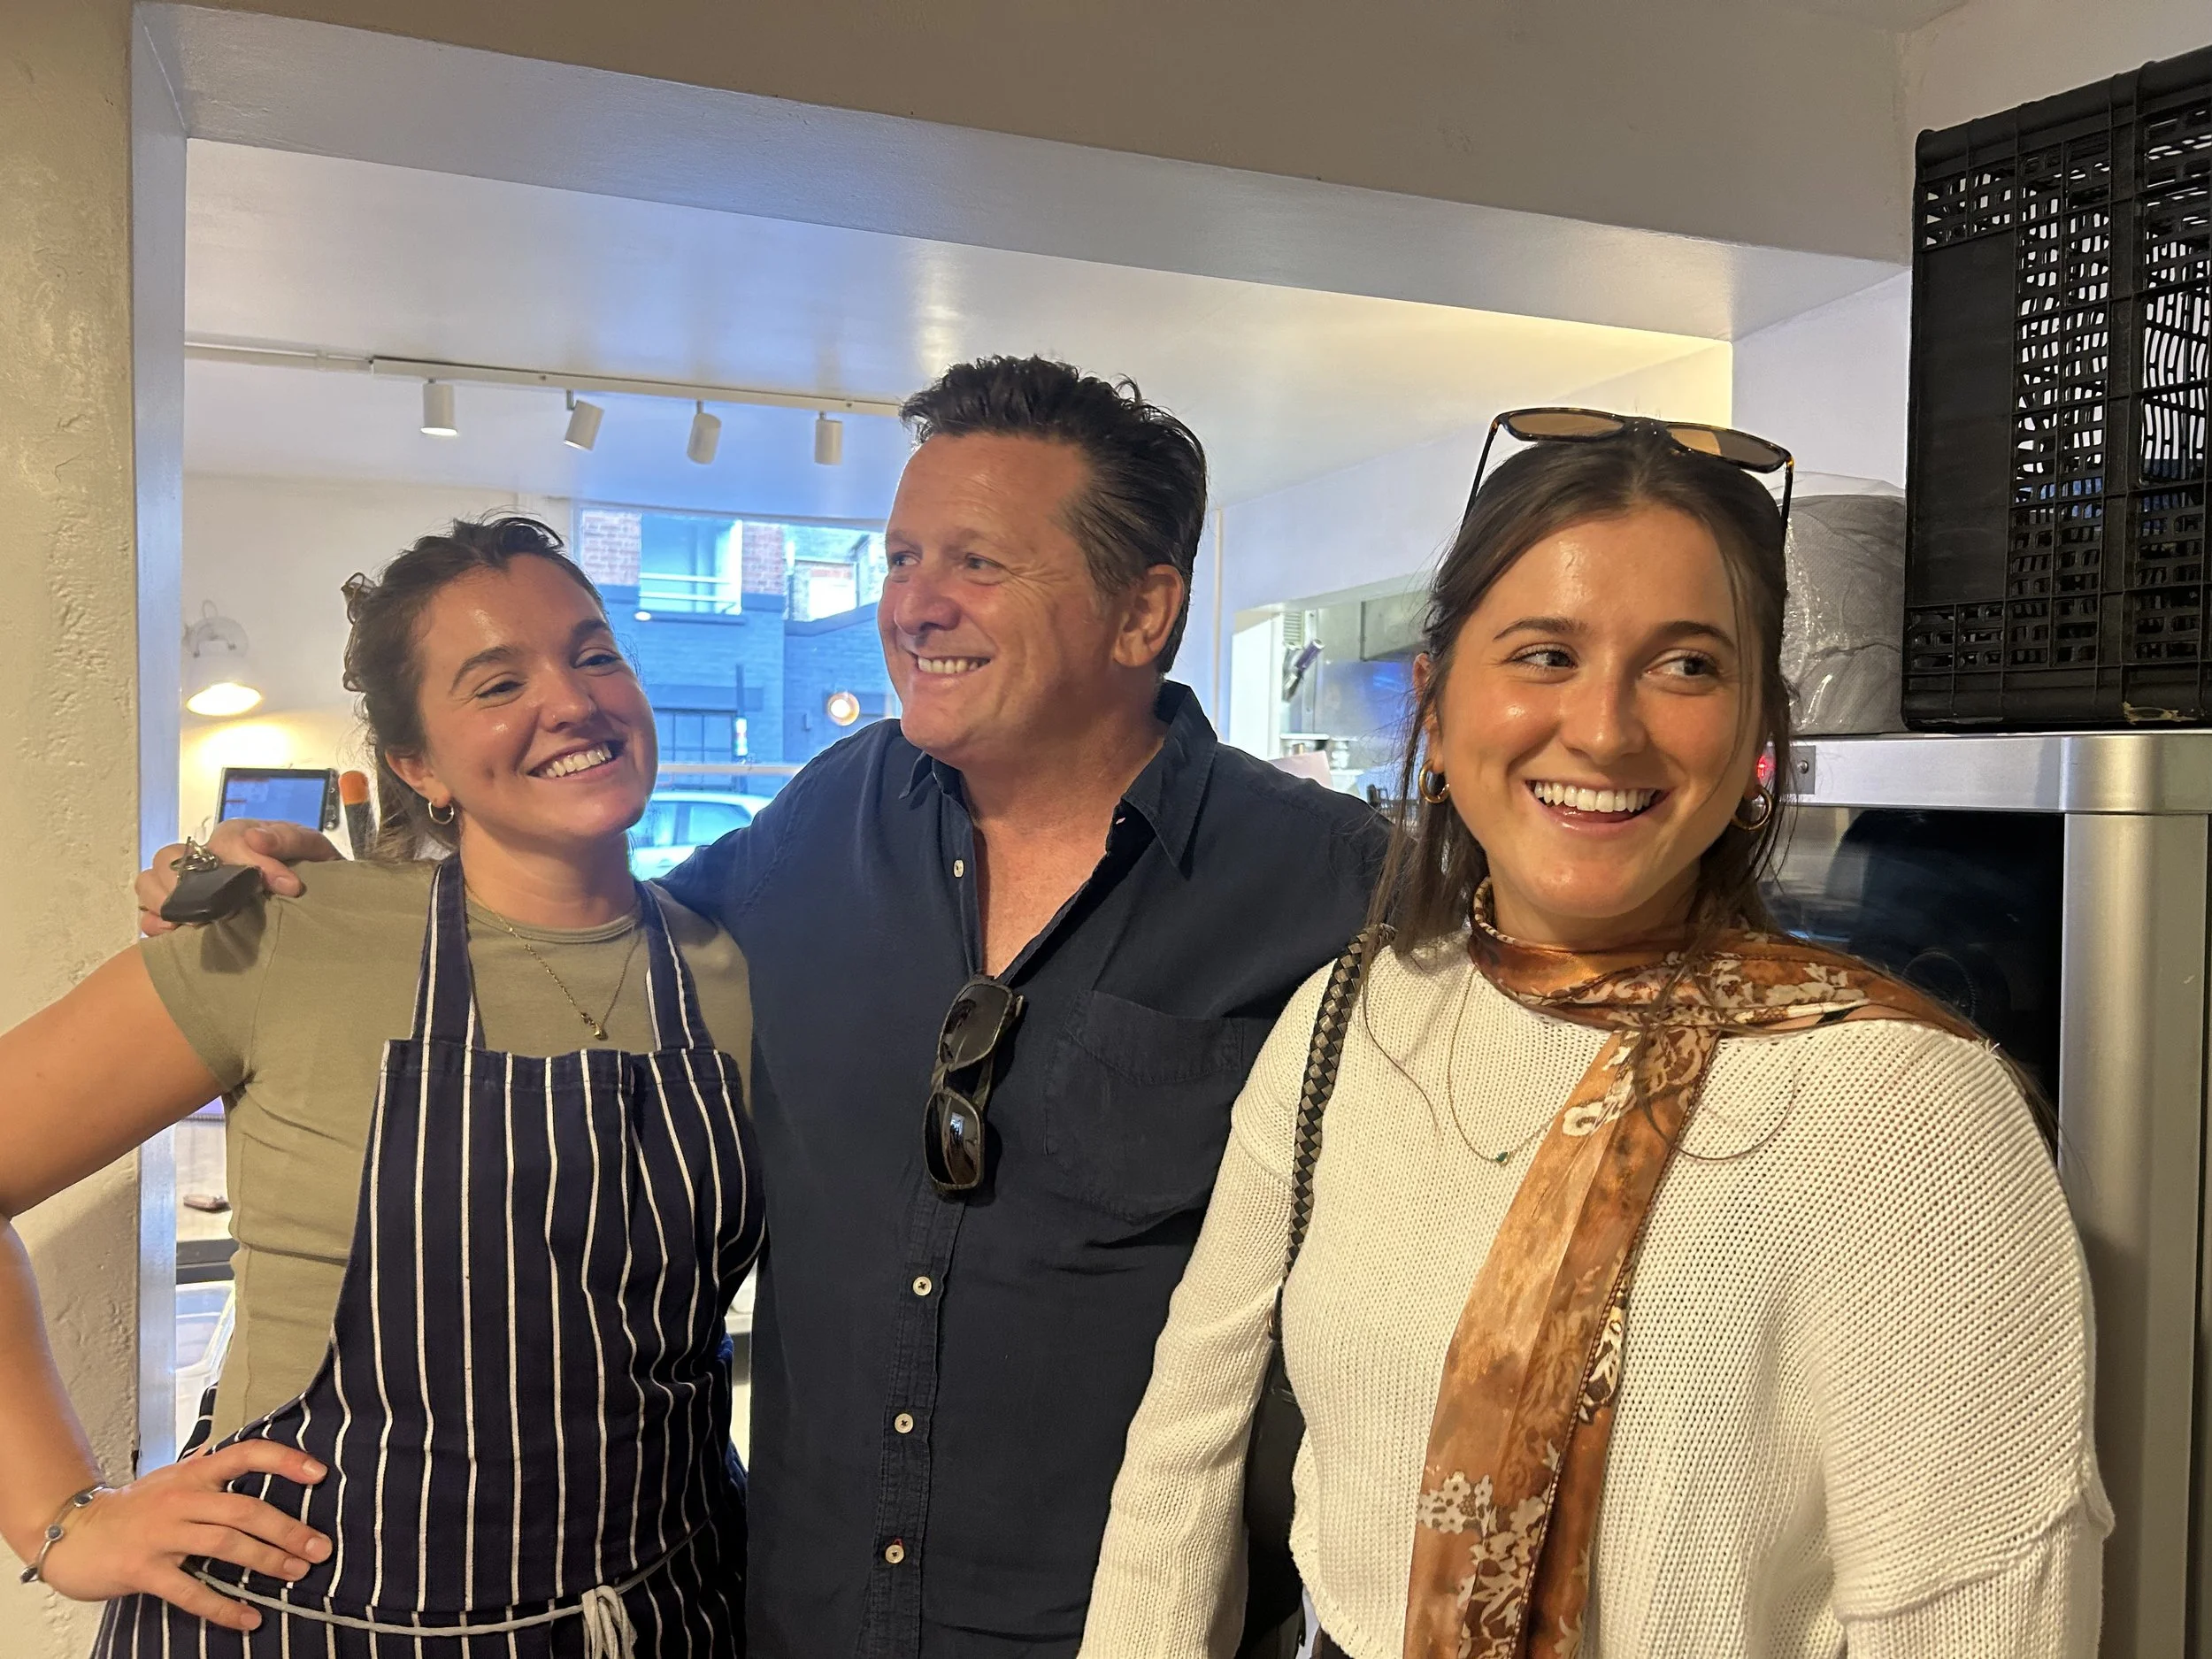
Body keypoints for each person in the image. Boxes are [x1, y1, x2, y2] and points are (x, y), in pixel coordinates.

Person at [136, 358, 1386, 1657]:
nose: (915, 604)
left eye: (979, 562)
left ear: (1143, 611)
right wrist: (330, 889)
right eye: (902, 556)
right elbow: (578, 932)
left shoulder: (1329, 887)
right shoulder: (831, 816)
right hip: (787, 1619)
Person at [1079, 414, 2109, 1657]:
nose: (1608, 728)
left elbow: (1982, 1618)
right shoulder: (1349, 1019)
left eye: (1686, 665)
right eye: (1546, 652)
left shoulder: (1900, 1109)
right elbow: (1181, 1457)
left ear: (1753, 735)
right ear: (1438, 697)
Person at [16, 518, 760, 1654]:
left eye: (595, 653)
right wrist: (58, 1520)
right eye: (498, 681)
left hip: (661, 1616)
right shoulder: (290, 934)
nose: (570, 701)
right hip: (309, 1623)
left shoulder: (735, 968)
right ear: (417, 764)